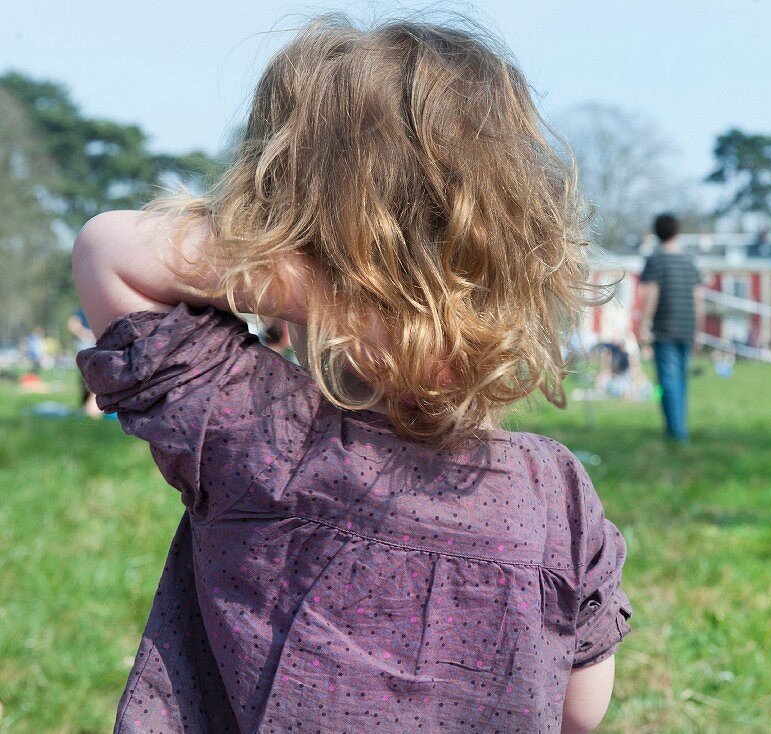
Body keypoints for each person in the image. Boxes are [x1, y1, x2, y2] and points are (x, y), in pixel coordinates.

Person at [72, 15, 630, 733]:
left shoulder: (259, 430)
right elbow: (581, 709)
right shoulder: (557, 497)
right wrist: (413, 303)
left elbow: (109, 251)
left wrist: (349, 294)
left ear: (279, 230)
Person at [638, 213, 703, 442]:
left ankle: (677, 433)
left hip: (664, 329)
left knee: (668, 381)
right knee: (681, 381)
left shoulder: (655, 259)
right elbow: (698, 298)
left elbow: (651, 295)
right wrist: (697, 330)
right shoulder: (689, 260)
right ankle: (677, 427)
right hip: (686, 329)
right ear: (677, 231)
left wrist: (643, 325)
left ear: (656, 232)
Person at [67, 308, 102, 417]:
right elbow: (73, 324)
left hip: (91, 346)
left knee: (89, 379)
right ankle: (90, 408)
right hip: (89, 345)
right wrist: (85, 334)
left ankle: (89, 406)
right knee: (91, 378)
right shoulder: (85, 309)